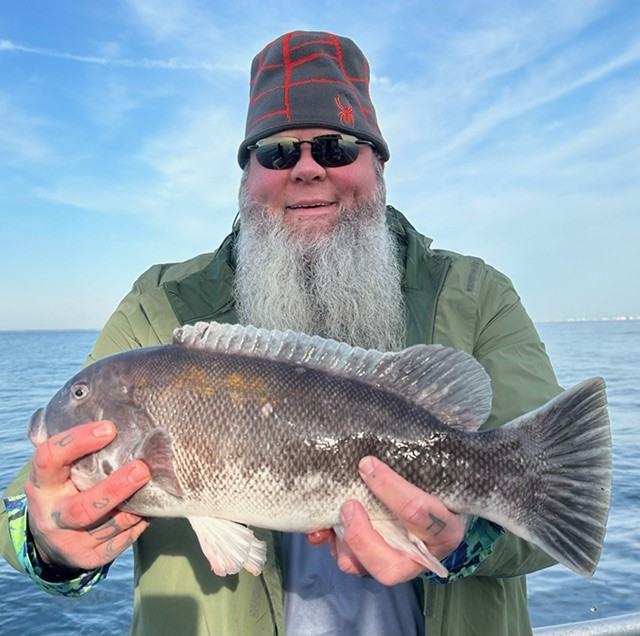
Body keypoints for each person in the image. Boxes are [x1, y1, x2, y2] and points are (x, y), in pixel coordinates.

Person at [1, 31, 562, 635]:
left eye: (337, 147)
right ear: (247, 176)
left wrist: (462, 539)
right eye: (276, 153)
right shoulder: (156, 309)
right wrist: (49, 539)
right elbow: (23, 510)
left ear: (379, 165)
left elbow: (559, 503)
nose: (307, 169)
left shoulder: (476, 295)